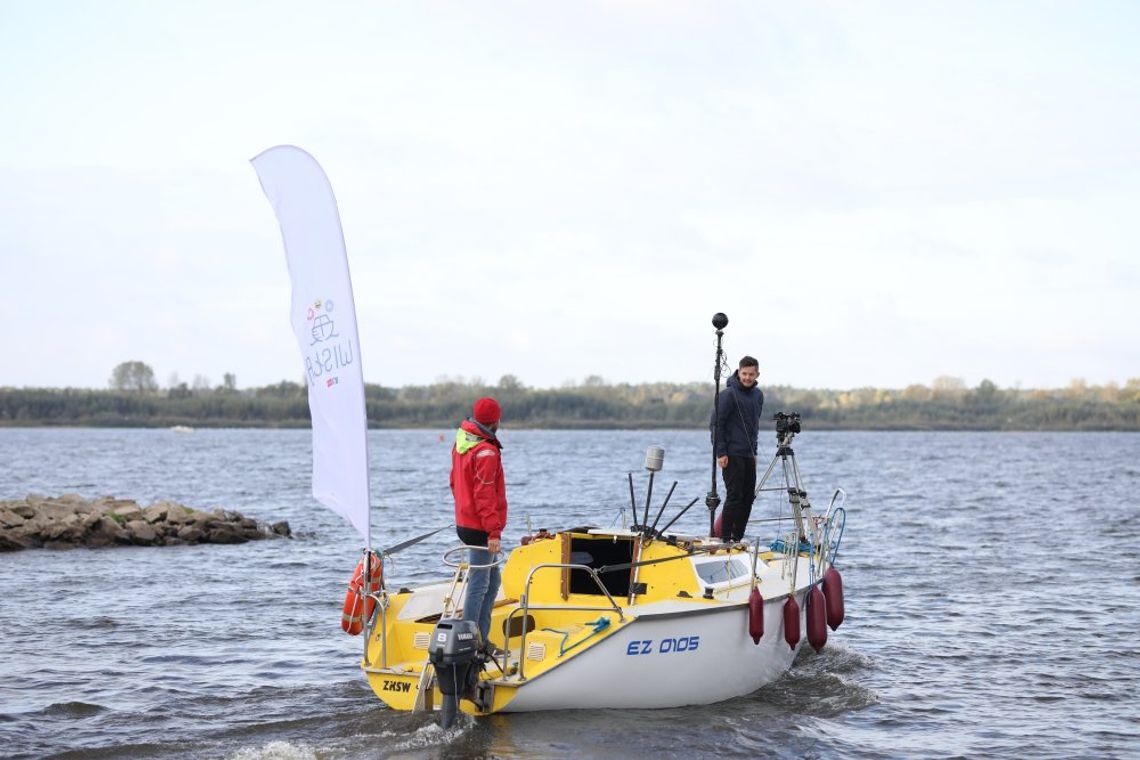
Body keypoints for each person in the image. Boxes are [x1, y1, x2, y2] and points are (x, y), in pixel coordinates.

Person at [450, 396, 508, 649]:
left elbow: (454, 482)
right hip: (480, 528)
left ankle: (482, 638)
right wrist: (493, 532)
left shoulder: (462, 442)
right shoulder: (486, 452)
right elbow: (485, 495)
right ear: (496, 420)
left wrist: (465, 512)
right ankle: (471, 641)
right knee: (479, 583)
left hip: (466, 523)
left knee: (492, 582)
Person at [714, 356, 764, 542]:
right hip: (731, 454)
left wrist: (754, 452)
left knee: (748, 497)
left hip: (748, 454)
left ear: (757, 374)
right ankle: (725, 538)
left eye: (751, 374)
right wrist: (721, 452)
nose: (747, 377)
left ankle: (737, 538)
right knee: (734, 496)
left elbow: (754, 427)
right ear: (738, 372)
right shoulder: (728, 394)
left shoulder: (758, 395)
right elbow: (717, 425)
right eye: (744, 374)